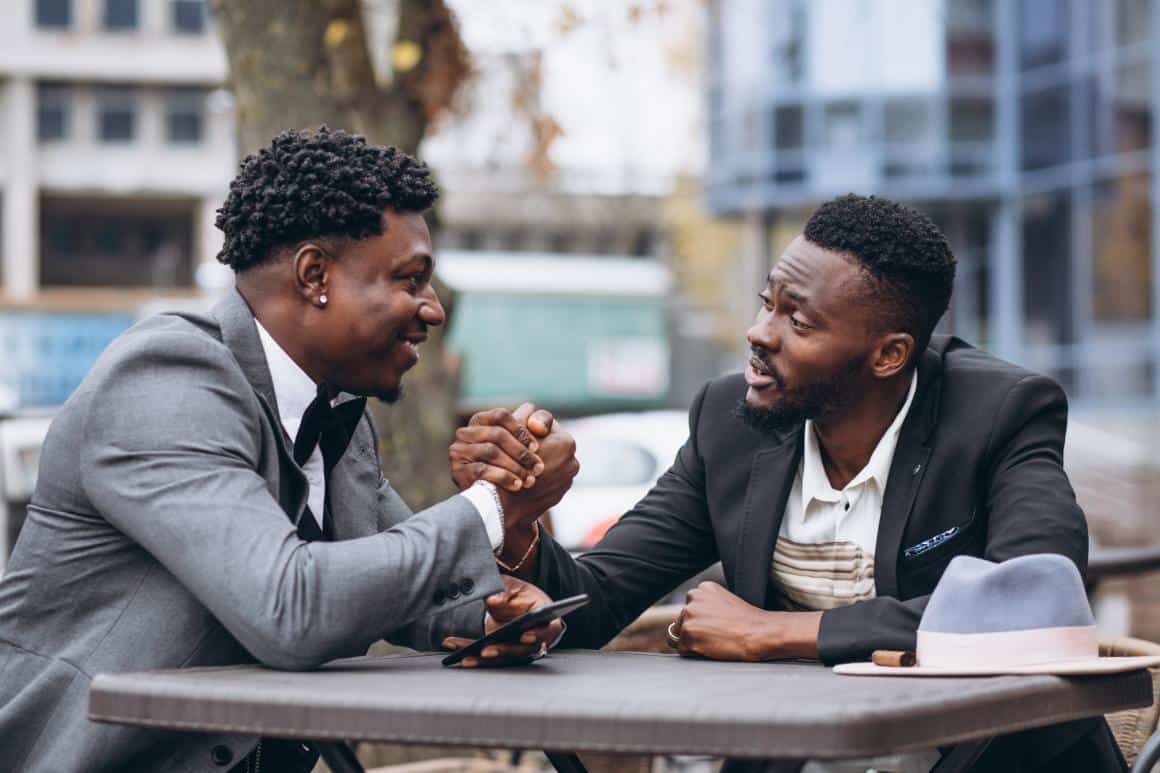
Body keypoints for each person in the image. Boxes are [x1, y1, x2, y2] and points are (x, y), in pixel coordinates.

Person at [463, 194, 1123, 771]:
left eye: (796, 321)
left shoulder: (999, 414)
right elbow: (598, 597)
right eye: (765, 304)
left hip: (992, 759)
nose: (758, 333)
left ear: (888, 353)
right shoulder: (732, 423)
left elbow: (1034, 603)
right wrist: (520, 518)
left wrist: (770, 632)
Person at [0, 128, 576, 773]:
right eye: (410, 279)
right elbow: (291, 609)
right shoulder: (165, 381)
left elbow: (394, 585)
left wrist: (497, 614)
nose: (432, 310)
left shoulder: (334, 412)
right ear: (314, 276)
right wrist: (490, 507)